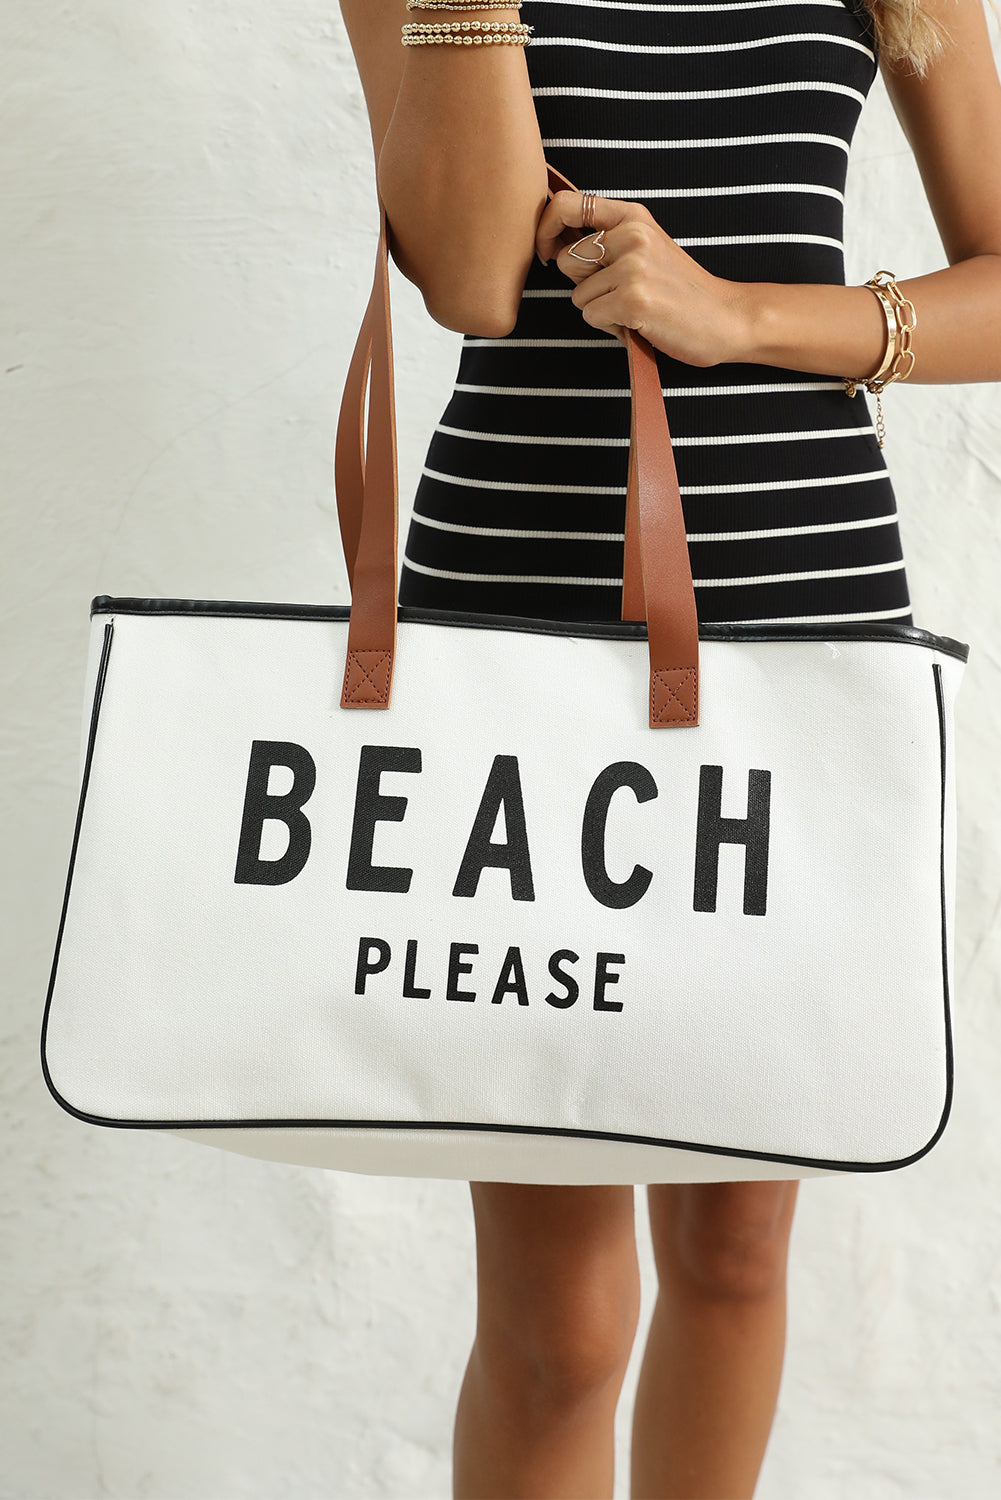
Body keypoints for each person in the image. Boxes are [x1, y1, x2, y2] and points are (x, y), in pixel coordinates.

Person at [338, 1, 1001, 1495]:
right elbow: (471, 279)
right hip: (517, 619)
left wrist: (740, 315)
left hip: (800, 614)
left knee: (733, 1245)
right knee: (559, 1324)